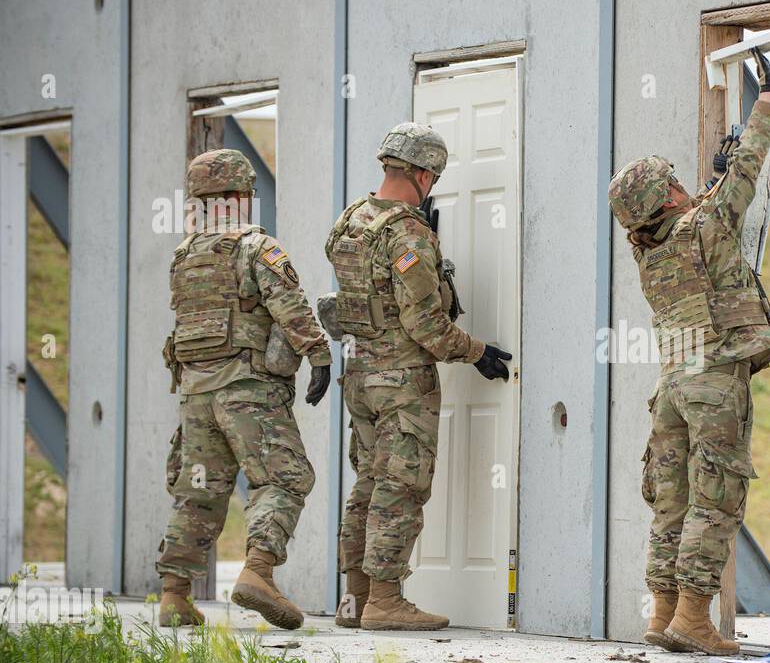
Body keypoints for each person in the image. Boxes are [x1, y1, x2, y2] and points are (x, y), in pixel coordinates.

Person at [607, 50, 770, 656]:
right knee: (716, 501)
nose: (686, 186)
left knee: (671, 504)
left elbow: (700, 210)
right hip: (714, 381)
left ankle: (662, 615)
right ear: (665, 198)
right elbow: (745, 178)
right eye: (675, 183)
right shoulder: (703, 223)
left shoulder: (649, 248)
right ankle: (693, 616)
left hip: (673, 388)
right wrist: (767, 100)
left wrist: (708, 183)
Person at [325, 123, 511, 631]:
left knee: (365, 483)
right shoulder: (407, 233)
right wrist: (476, 351)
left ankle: (356, 599)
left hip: (360, 376)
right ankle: (386, 599)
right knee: (400, 485)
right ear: (425, 173)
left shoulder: (349, 222)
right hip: (402, 381)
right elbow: (425, 323)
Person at [158, 149, 332, 629]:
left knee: (199, 492)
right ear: (241, 194)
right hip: (247, 389)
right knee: (285, 479)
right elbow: (289, 306)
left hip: (195, 394)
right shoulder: (257, 248)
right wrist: (318, 355)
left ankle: (174, 596)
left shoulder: (184, 255)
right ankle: (258, 572)